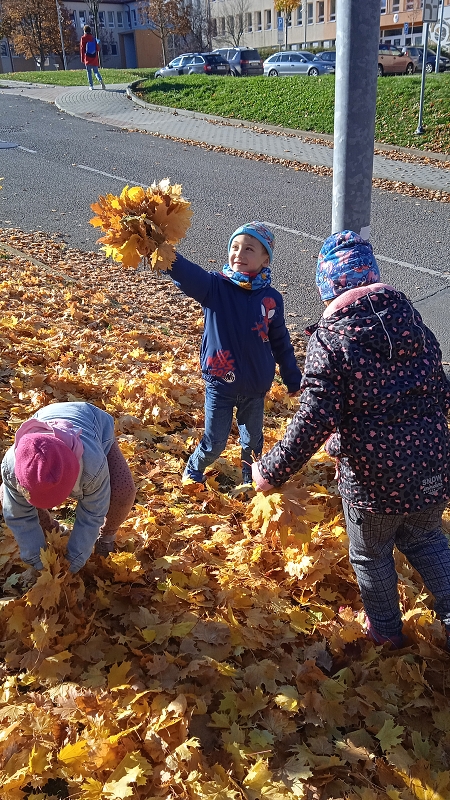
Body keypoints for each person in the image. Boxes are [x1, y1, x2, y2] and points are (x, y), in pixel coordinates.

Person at [252, 230, 450, 648]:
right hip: (431, 464)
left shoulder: (332, 338)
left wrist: (271, 471)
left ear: (329, 289)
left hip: (374, 479)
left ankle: (386, 632)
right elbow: (440, 390)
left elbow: (315, 416)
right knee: (427, 538)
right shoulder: (411, 322)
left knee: (371, 552)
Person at [167, 222, 302, 486]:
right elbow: (187, 273)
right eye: (235, 247)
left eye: (249, 249)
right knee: (215, 441)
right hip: (220, 381)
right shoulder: (215, 287)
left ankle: (248, 480)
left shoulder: (271, 299)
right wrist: (163, 254)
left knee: (252, 441)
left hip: (255, 384)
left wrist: (292, 377)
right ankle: (194, 469)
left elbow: (280, 340)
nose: (239, 253)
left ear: (265, 259)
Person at [1, 402, 136, 573]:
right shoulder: (11, 465)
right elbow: (18, 515)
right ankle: (50, 528)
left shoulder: (92, 465)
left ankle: (105, 538)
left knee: (123, 490)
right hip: (45, 416)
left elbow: (92, 515)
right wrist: (37, 560)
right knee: (6, 497)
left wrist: (73, 562)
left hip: (93, 421)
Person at [80, 24, 105, 91]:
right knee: (96, 71)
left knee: (89, 72)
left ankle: (91, 86)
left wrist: (82, 59)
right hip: (94, 58)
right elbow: (98, 49)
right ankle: (100, 80)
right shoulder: (93, 38)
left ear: (84, 31)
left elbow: (82, 49)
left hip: (87, 58)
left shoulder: (83, 38)